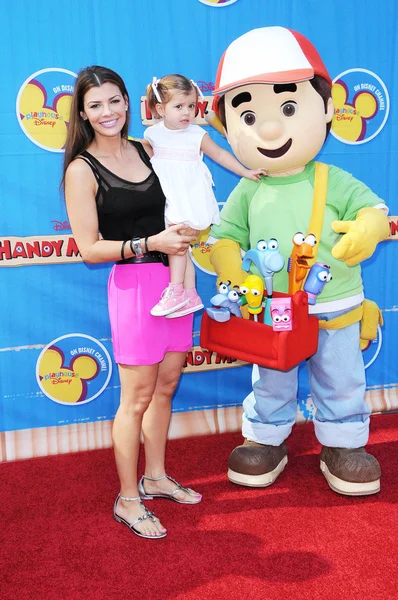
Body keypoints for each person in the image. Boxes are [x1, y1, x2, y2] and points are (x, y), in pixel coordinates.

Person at [208, 27, 389, 496]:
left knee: (341, 373)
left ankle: (343, 443)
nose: (269, 128)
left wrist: (369, 227)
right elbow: (225, 236)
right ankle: (267, 439)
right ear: (228, 127)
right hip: (274, 308)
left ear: (326, 107)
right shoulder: (248, 188)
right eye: (248, 114)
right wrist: (232, 270)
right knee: (272, 375)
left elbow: (373, 210)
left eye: (289, 108)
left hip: (335, 302)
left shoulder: (334, 178)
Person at [62, 65, 202, 540]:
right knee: (137, 398)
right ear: (82, 112)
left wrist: (187, 232)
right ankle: (127, 498)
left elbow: (185, 187)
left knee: (165, 389)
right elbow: (88, 247)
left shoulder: (149, 147)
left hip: (175, 284)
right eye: (95, 104)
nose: (108, 112)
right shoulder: (82, 169)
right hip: (134, 286)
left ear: (129, 102)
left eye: (115, 100)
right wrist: (150, 243)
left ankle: (156, 477)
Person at [144, 74, 267, 318]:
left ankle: (176, 289)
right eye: (178, 106)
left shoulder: (196, 135)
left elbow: (220, 155)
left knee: (176, 243)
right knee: (180, 246)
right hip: (165, 196)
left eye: (191, 106)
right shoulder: (152, 136)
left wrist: (245, 171)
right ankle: (189, 293)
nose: (187, 112)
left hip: (188, 197)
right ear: (160, 108)